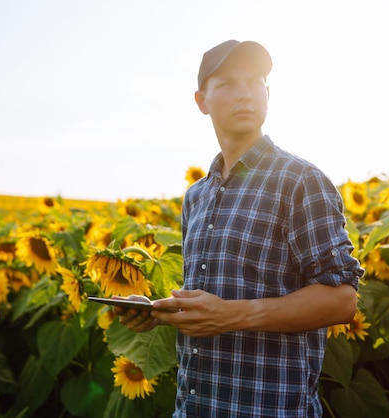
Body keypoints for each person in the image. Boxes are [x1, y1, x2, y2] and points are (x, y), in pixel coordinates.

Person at [115, 39, 364, 417]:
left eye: (255, 82)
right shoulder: (196, 196)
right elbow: (211, 298)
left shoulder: (299, 181)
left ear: (268, 94)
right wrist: (157, 312)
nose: (245, 94)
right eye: (228, 84)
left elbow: (342, 300)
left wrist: (233, 315)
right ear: (201, 102)